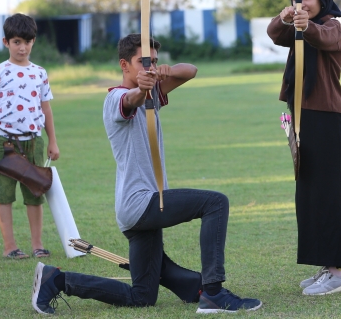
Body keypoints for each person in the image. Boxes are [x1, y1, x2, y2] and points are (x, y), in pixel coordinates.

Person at [31, 34, 262, 315]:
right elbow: (131, 99)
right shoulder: (116, 98)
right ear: (124, 64)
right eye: (142, 62)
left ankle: (57, 280)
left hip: (136, 213)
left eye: (153, 61)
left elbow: (190, 71)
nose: (149, 67)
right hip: (140, 203)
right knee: (216, 202)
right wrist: (142, 88)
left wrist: (165, 71)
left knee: (141, 296)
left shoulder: (153, 91)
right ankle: (212, 293)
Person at [267, 0, 341, 295]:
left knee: (328, 195)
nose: (300, 3)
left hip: (327, 120)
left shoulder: (332, 26)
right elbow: (274, 33)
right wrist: (285, 17)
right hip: (301, 117)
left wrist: (305, 24)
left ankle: (339, 272)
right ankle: (326, 265)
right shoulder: (298, 28)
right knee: (309, 196)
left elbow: (323, 38)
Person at [0, 13, 59, 259]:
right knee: (3, 195)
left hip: (34, 142)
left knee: (35, 194)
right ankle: (10, 247)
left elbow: (46, 109)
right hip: (4, 143)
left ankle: (37, 245)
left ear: (33, 41)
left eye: (27, 41)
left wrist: (52, 141)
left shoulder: (40, 73)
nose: (22, 47)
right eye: (16, 42)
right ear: (6, 42)